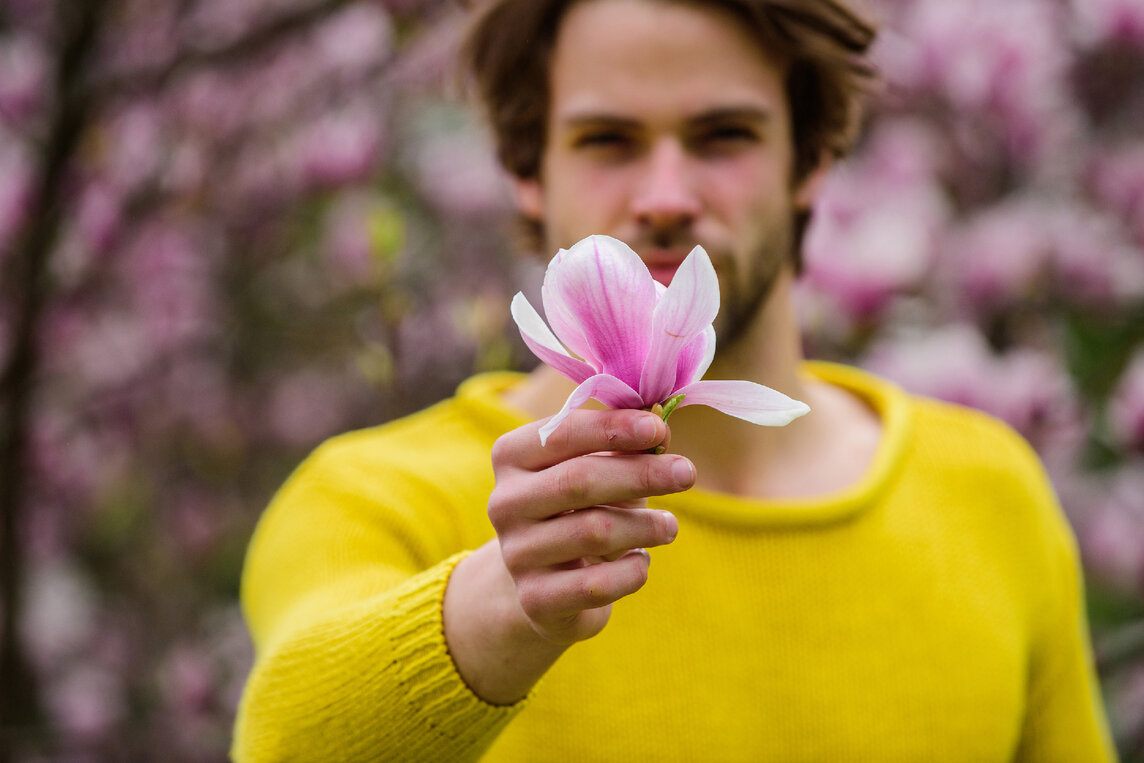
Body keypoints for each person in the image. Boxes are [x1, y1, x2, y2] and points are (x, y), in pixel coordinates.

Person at [231, 0, 1116, 760]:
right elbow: (281, 732)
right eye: (607, 139)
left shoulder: (990, 495)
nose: (664, 193)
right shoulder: (374, 499)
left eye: (722, 135)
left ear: (809, 160)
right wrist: (503, 606)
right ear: (526, 171)